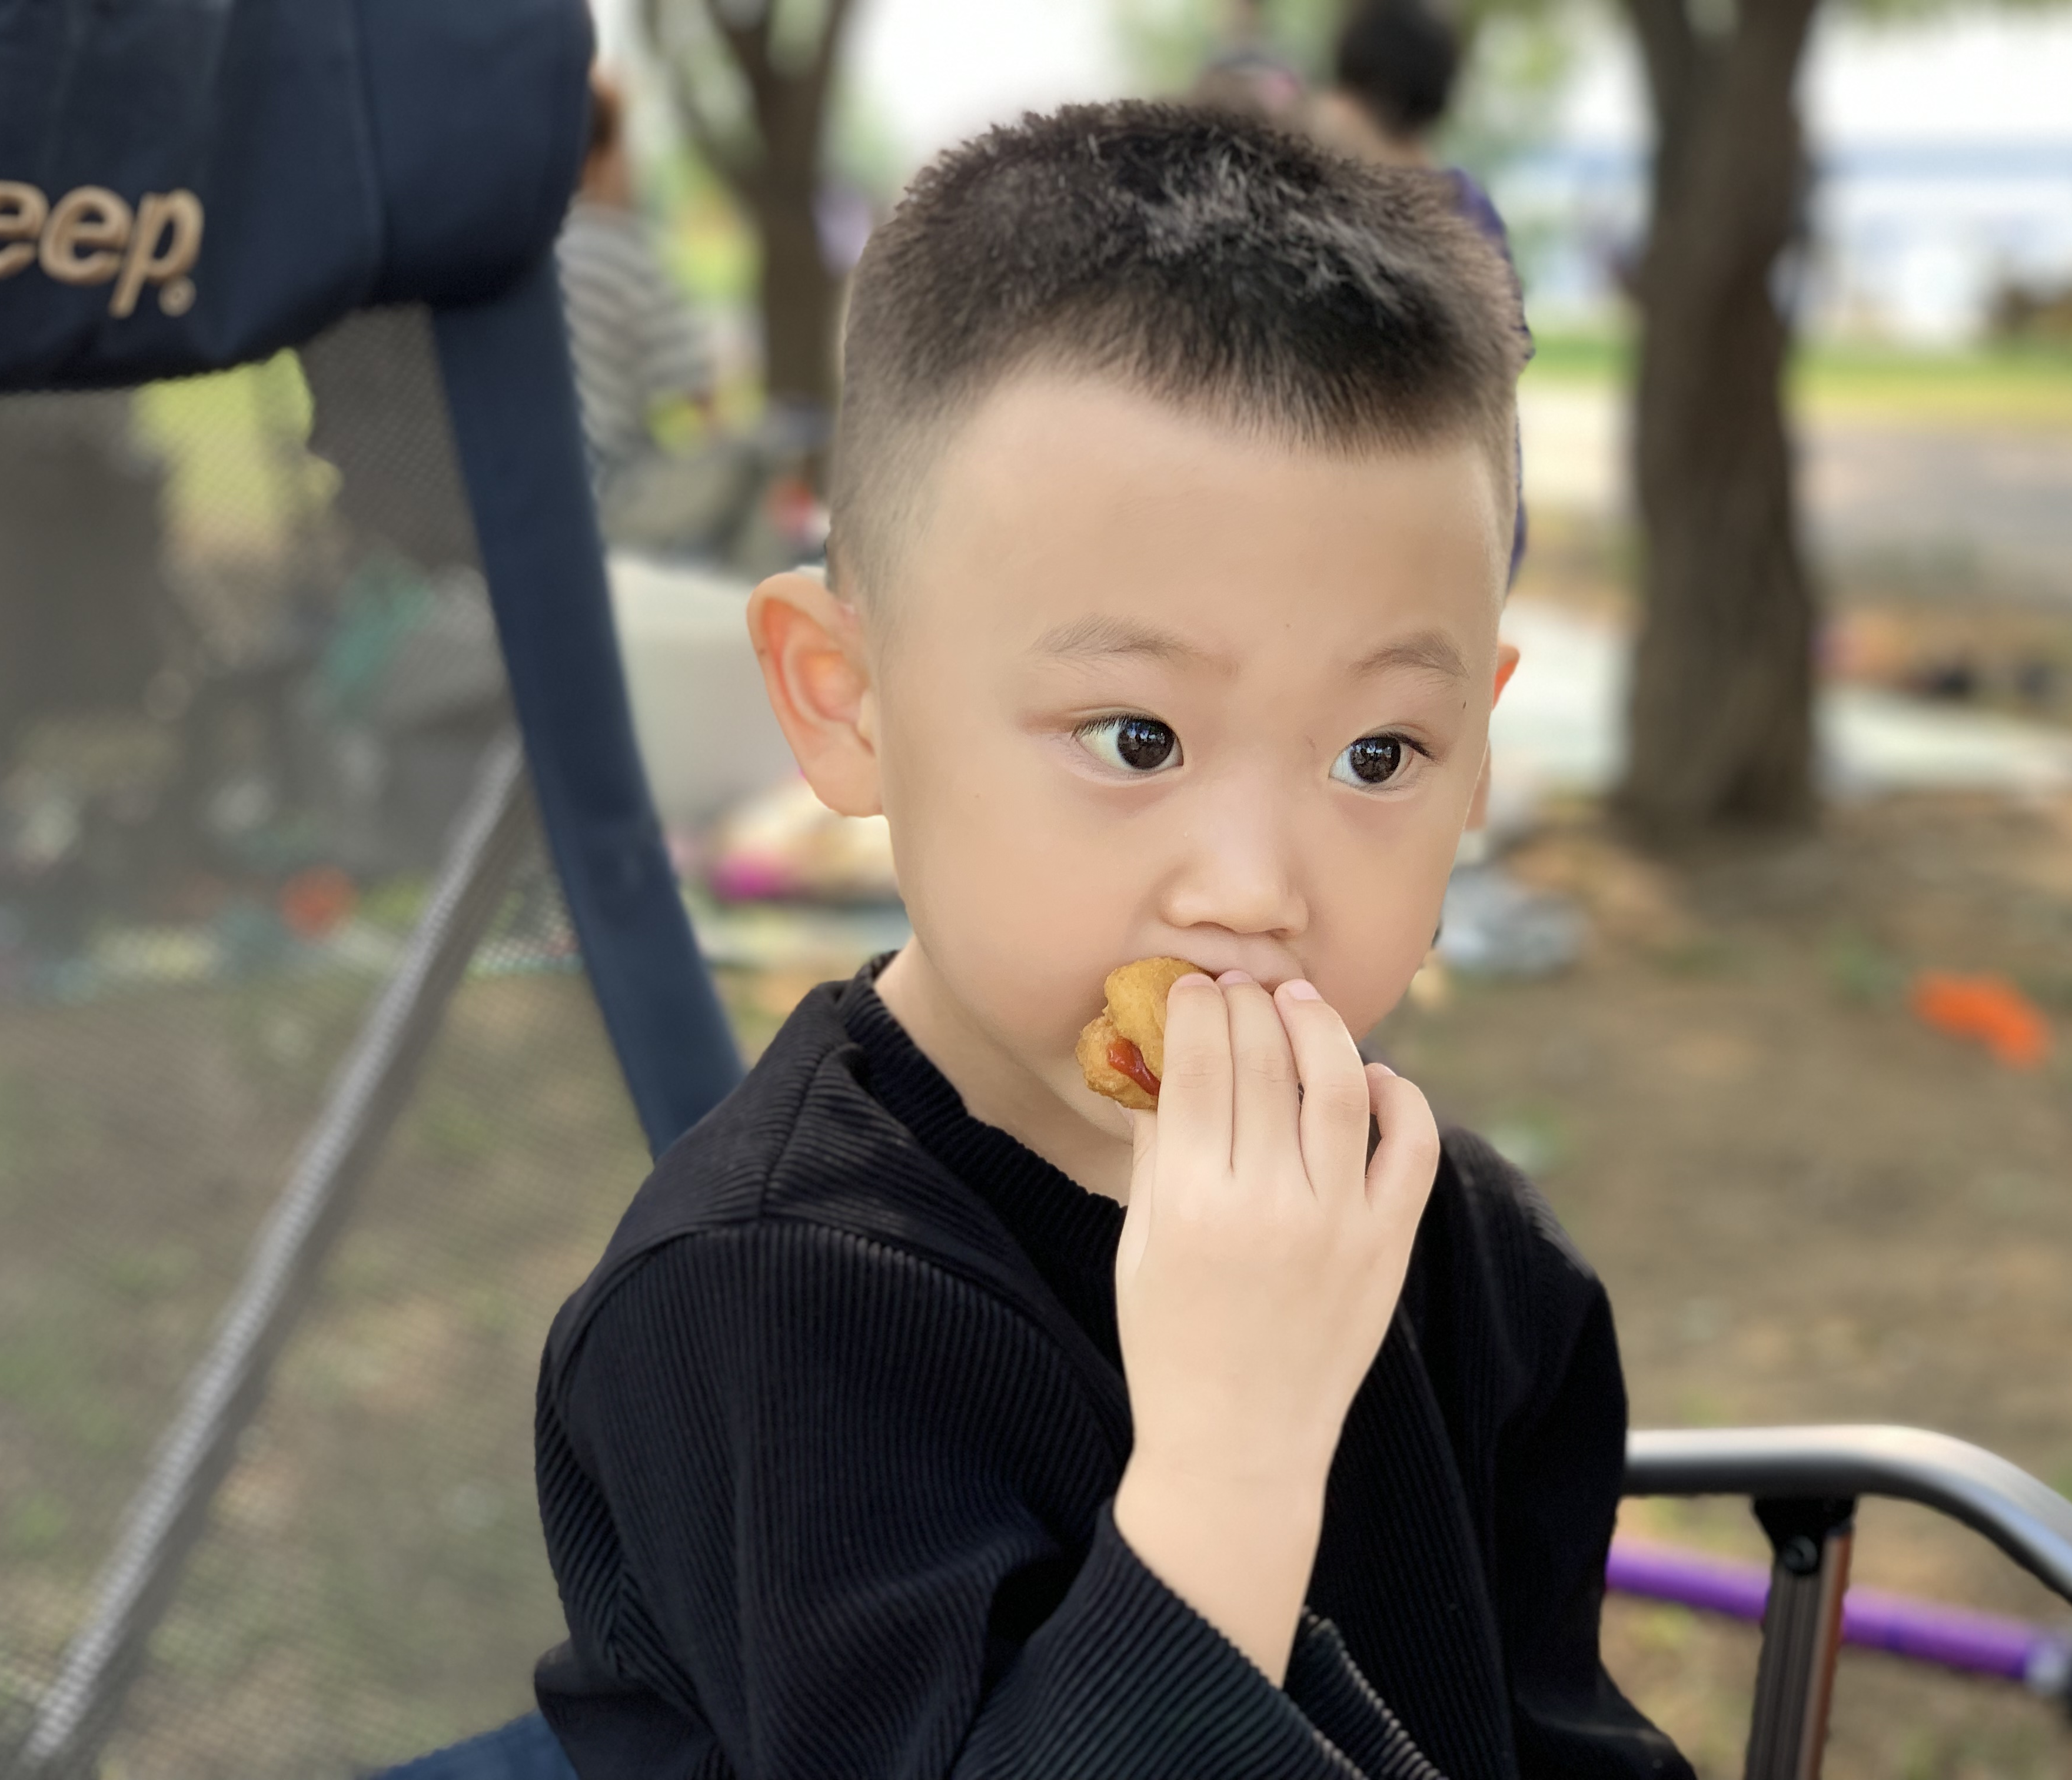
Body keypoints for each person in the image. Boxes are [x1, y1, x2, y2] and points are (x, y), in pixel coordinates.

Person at [532, 102, 1688, 1780]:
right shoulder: (762, 1311)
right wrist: (1233, 1456)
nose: (1255, 887)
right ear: (846, 702)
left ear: (1479, 759)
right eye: (1136, 738)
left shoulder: (1456, 1245)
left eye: (1380, 754)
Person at [1312, 0, 1528, 585]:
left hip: (1358, 545)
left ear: (1350, 96)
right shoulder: (1473, 215)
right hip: (1470, 537)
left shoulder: (1335, 217)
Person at [554, 72, 739, 552]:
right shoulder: (626, 255)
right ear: (599, 160)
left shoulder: (515, 259)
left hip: (534, 491)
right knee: (747, 462)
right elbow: (703, 404)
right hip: (613, 496)